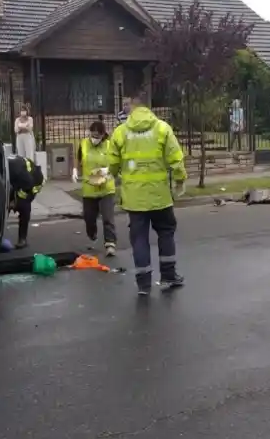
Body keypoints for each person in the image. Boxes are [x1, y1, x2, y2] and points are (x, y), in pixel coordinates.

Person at [109, 93, 188, 295]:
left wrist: (118, 174)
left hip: (134, 199)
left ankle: (143, 284)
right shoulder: (162, 129)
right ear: (148, 107)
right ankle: (168, 276)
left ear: (132, 109)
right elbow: (176, 158)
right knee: (166, 232)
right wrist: (180, 180)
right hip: (159, 195)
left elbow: (112, 164)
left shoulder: (120, 132)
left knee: (139, 239)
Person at [72, 116, 117, 256]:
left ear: (103, 135)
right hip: (89, 188)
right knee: (89, 217)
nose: (94, 138)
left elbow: (116, 163)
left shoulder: (110, 146)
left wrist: (107, 171)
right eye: (92, 135)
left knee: (108, 218)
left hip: (106, 187)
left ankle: (110, 244)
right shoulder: (84, 144)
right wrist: (75, 170)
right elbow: (78, 158)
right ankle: (92, 234)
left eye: (97, 136)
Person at [6, 154, 44, 250]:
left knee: (24, 207)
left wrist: (15, 202)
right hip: (19, 182)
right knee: (3, 207)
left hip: (32, 184)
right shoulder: (4, 167)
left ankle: (22, 239)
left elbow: (28, 186)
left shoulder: (17, 171)